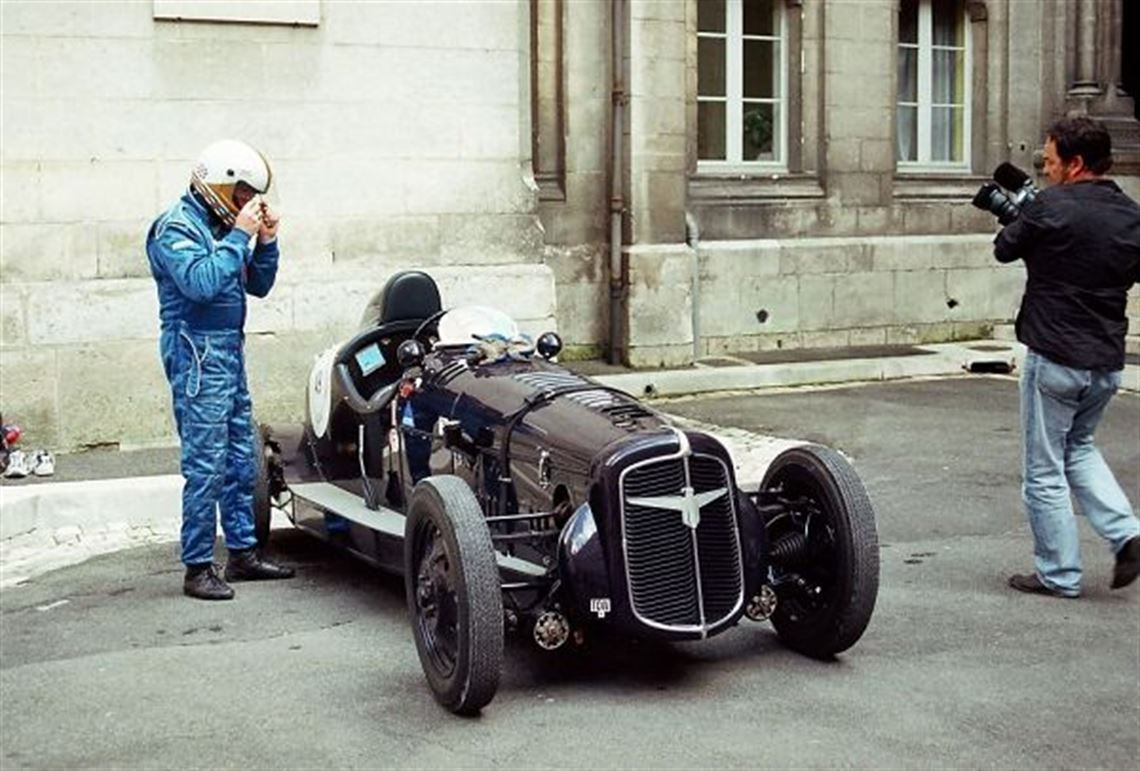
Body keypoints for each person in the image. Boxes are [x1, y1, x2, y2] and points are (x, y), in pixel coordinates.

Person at [994, 116, 1140, 598]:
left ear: (1075, 164)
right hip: (1105, 358)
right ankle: (1126, 535)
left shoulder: (1049, 207)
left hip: (1055, 354)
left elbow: (1003, 249)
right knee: (1077, 447)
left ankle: (1059, 574)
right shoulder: (1130, 213)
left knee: (1043, 468)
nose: (1047, 169)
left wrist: (1022, 218)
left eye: (1052, 161)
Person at [146, 140, 295, 600]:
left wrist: (265, 241)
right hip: (196, 350)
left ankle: (243, 552)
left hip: (228, 347)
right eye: (242, 194)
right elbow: (201, 284)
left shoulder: (217, 224)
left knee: (239, 456)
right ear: (219, 183)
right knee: (206, 461)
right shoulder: (176, 227)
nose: (246, 203)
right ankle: (197, 567)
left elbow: (260, 285)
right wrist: (238, 237)